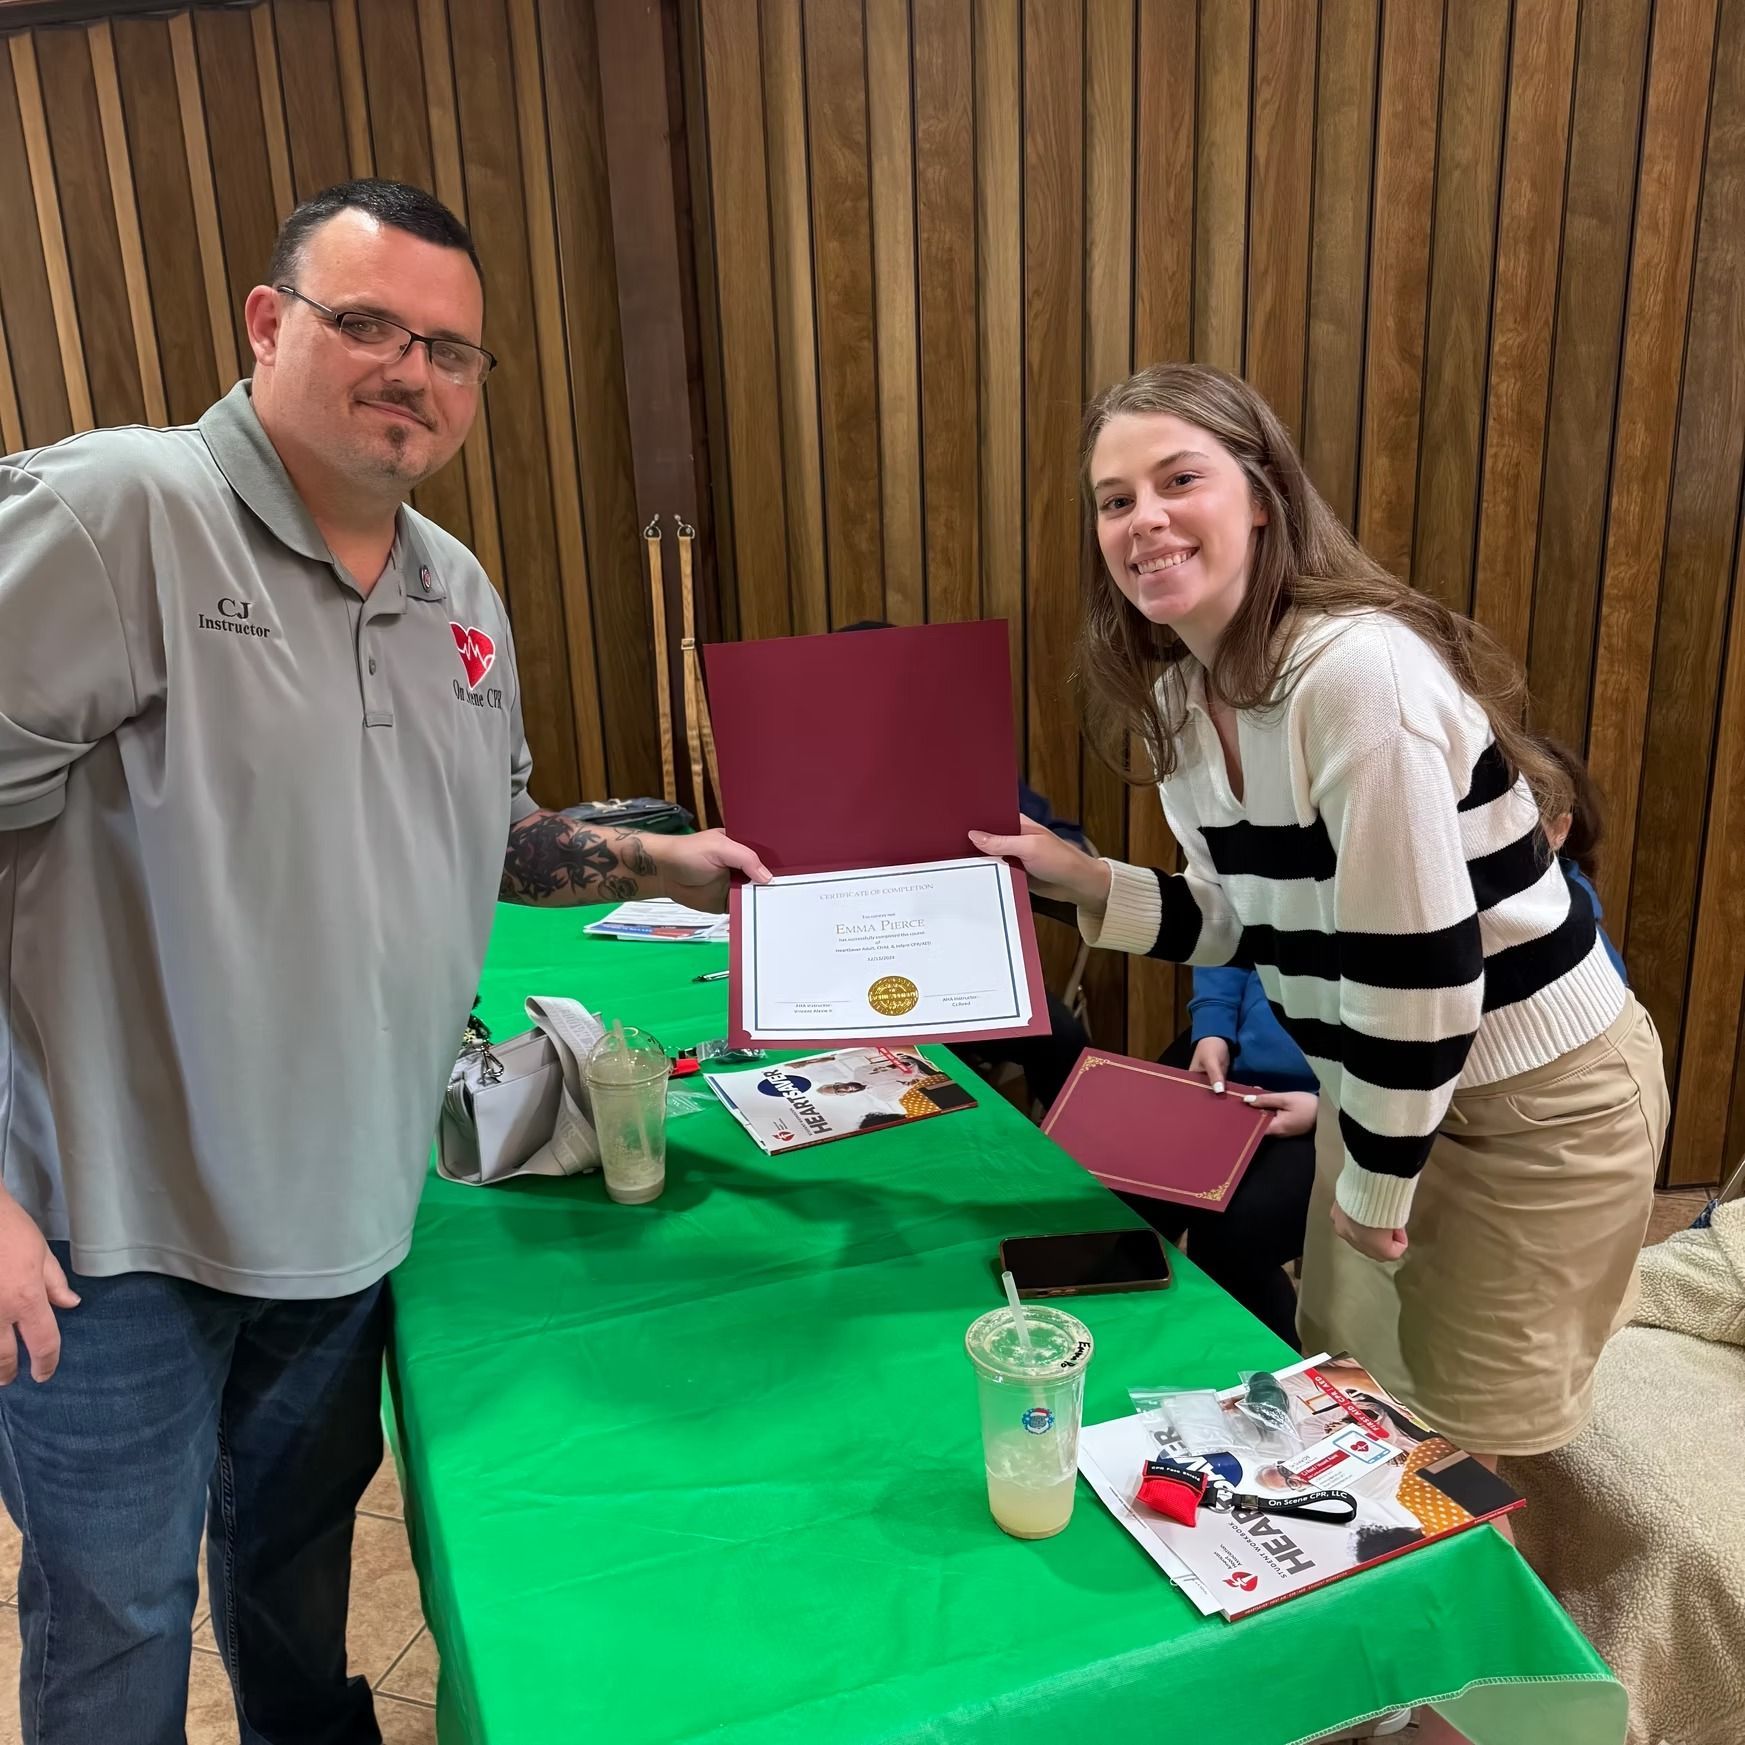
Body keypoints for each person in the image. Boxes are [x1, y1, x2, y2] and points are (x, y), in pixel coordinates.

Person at [0, 179, 769, 1745]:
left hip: (345, 1216)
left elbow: (491, 831)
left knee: (287, 1561)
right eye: (368, 324)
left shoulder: (455, 594)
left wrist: (657, 860)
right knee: (116, 1626)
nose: (411, 370)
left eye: (450, 349)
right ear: (267, 325)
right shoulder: (116, 514)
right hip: (108, 1238)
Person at [972, 363, 1666, 1524]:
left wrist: (1375, 1177)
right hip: (1388, 1086)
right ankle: (1392, 1675)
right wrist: (1087, 882)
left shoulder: (1350, 670)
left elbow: (1425, 965)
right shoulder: (1189, 694)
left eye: (1176, 478)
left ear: (1259, 494)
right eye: (1111, 499)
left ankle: (1487, 1689)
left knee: (1474, 1444)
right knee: (1360, 1396)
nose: (1141, 519)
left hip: (1529, 1104)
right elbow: (1247, 914)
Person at [1139, 732, 1629, 1350]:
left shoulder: (1548, 941)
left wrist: (1330, 1112)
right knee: (1139, 1186)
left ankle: (1271, 1375)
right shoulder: (1378, 862)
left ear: (1555, 831)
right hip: (1255, 1069)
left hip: (1356, 1108)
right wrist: (1212, 1022)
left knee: (1233, 1238)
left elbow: (1438, 1057)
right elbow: (1238, 916)